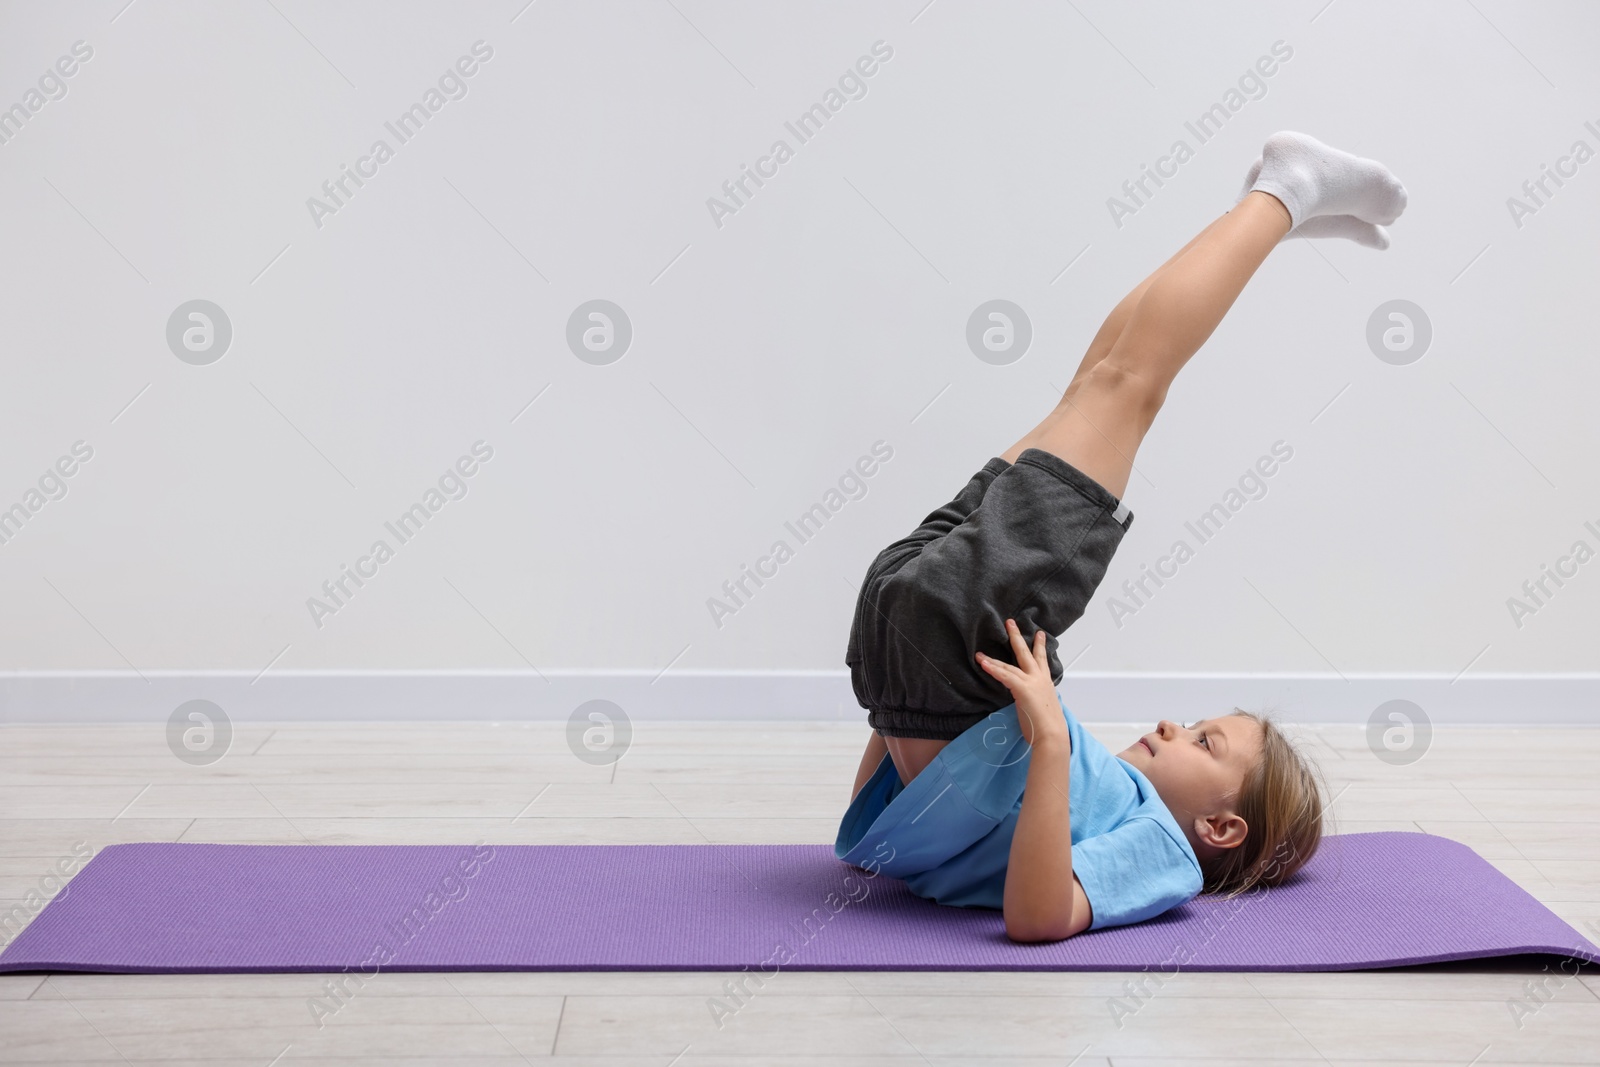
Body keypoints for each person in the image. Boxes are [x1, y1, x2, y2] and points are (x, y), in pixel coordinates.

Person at [836, 132, 1406, 942]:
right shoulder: (1130, 807)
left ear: (1222, 828)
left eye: (1205, 741)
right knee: (1099, 383)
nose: (1176, 725)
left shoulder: (1165, 855)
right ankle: (1268, 209)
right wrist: (896, 690)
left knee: (1128, 385)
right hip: (924, 643)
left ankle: (1283, 195)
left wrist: (1046, 741)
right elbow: (886, 839)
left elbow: (1037, 920)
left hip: (960, 650)